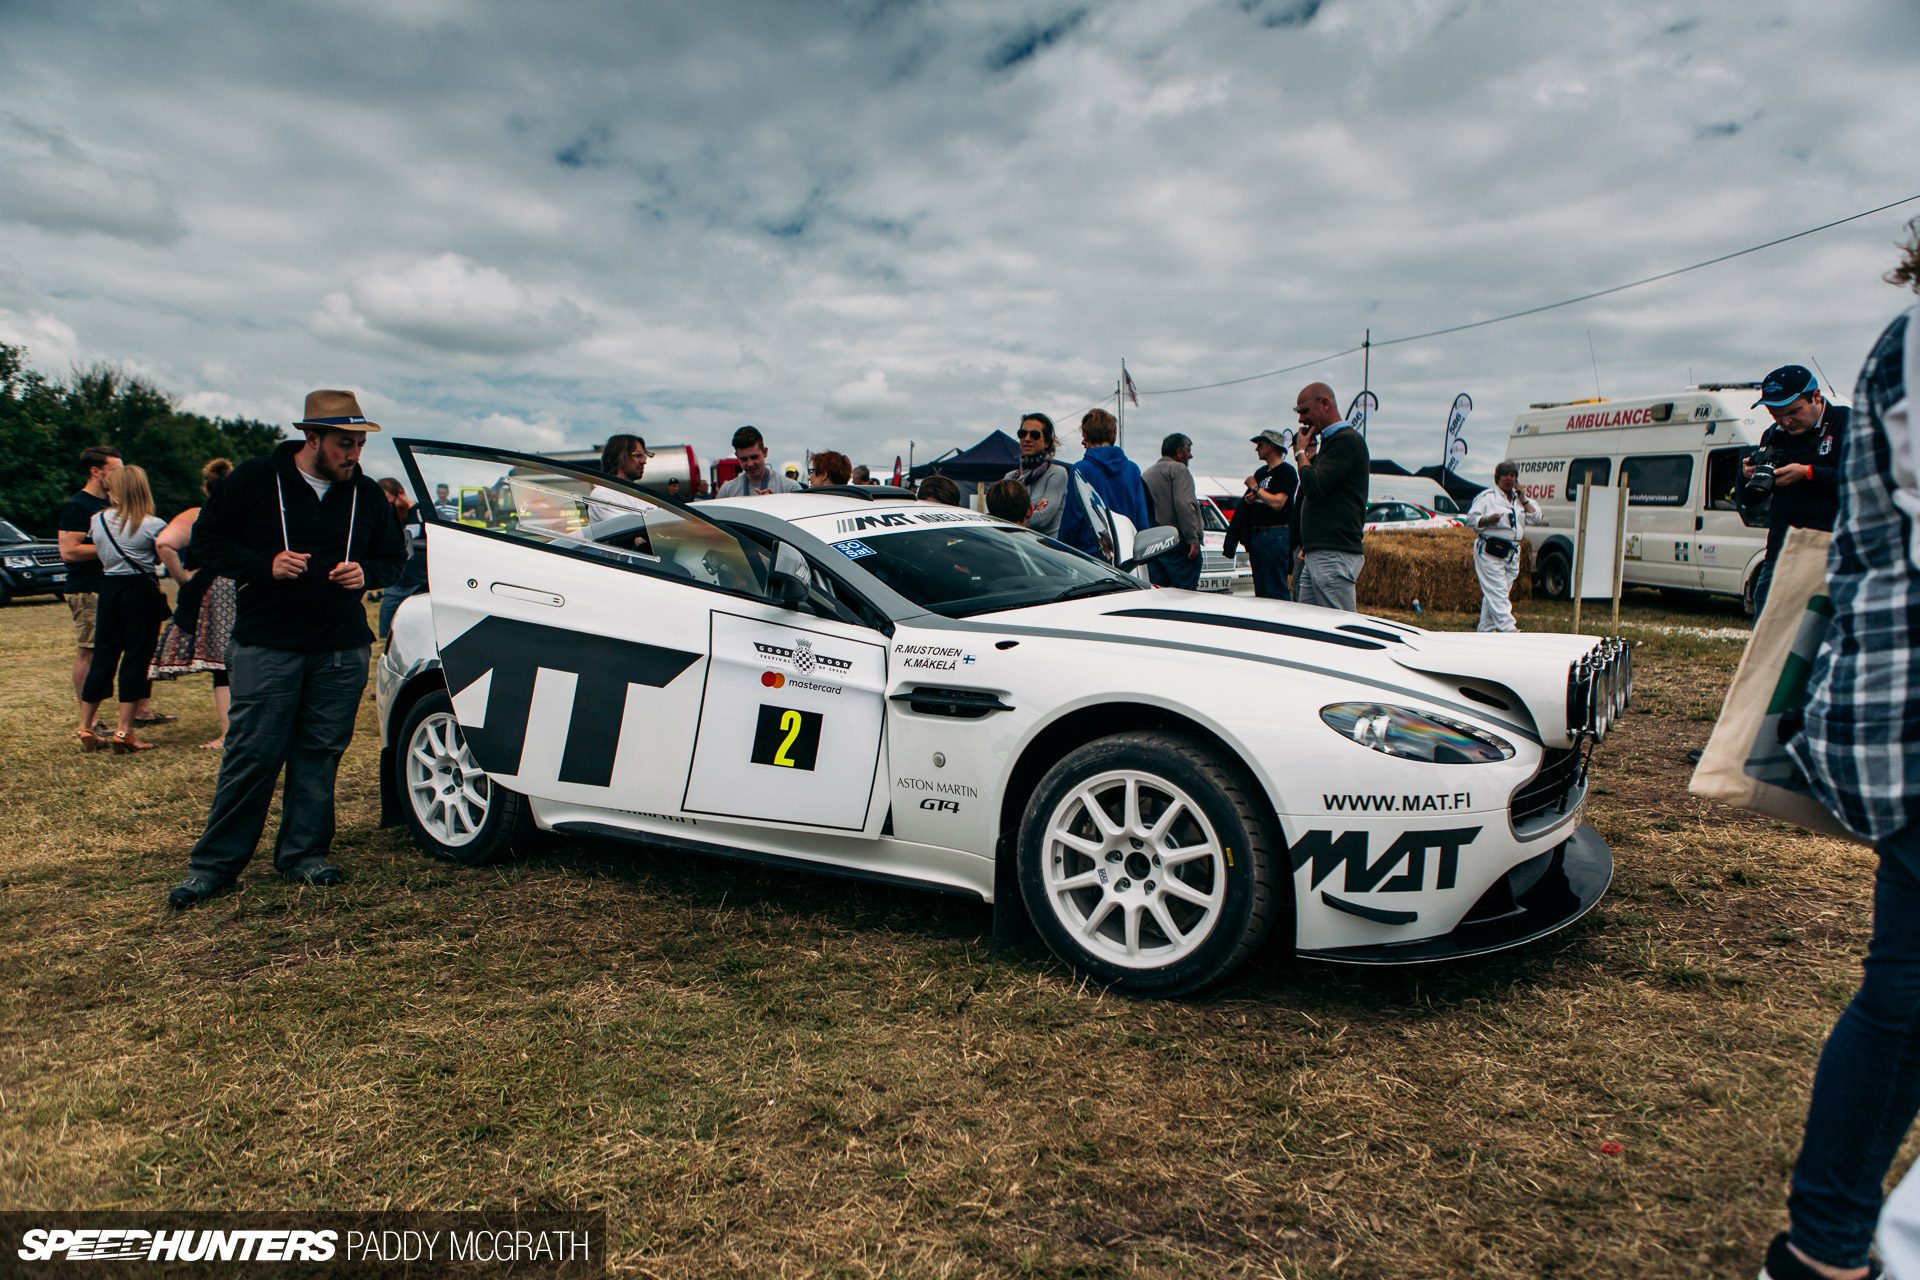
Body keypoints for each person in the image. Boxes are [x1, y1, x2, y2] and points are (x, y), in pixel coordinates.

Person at [1759, 231, 1920, 1280]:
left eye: (1795, 407)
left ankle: (1825, 1246)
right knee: (1901, 994)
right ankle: (1828, 1241)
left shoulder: (1884, 370)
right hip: (1894, 687)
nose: (1788, 422)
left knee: (1903, 992)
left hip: (1890, 697)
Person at [166, 390, 406, 909]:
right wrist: (264, 565)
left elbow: (394, 557)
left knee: (319, 753)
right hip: (268, 642)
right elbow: (206, 543)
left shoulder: (365, 495)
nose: (354, 455)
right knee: (253, 753)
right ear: (312, 437)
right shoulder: (254, 479)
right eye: (345, 444)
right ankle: (215, 865)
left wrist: (368, 573)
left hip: (341, 647)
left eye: (360, 445)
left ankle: (303, 853)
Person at [59, 445, 169, 733]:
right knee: (94, 651)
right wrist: (120, 546)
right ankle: (99, 723)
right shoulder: (79, 507)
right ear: (97, 471)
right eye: (115, 469)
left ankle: (137, 710)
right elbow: (68, 551)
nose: (120, 475)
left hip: (108, 585)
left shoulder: (100, 517)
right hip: (90, 587)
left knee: (111, 652)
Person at [1744, 363, 1847, 617]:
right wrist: (1749, 473)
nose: (1785, 421)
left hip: (1835, 554)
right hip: (1782, 553)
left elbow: (1866, 481)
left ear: (1816, 397)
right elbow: (1754, 497)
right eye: (1775, 414)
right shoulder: (1774, 434)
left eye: (1793, 412)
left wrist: (1809, 473)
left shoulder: (1848, 424)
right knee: (1768, 636)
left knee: (1828, 642)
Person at [150, 458, 238, 749]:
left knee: (223, 665)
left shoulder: (198, 514)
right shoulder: (248, 512)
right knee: (242, 661)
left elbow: (164, 544)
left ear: (205, 486)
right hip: (245, 585)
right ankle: (237, 730)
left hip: (214, 589)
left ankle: (229, 733)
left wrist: (183, 578)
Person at [1290, 382, 1370, 611]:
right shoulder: (1333, 442)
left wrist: (1300, 452)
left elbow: (1314, 486)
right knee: (1309, 626)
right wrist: (1312, 541)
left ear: (1325, 404)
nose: (1301, 420)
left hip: (1333, 554)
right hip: (1321, 551)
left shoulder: (1345, 441)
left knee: (1340, 630)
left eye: (1304, 411)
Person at [1469, 461, 1542, 632]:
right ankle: (1509, 630)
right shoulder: (1488, 498)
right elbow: (1471, 519)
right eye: (1505, 475)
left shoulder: (1520, 501)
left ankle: (1486, 630)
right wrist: (1488, 520)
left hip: (1512, 553)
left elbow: (1536, 517)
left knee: (1494, 595)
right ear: (1498, 478)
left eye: (1512, 476)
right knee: (1498, 593)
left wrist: (1523, 498)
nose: (1509, 479)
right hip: (1490, 551)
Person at [1225, 429, 1298, 600]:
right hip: (1258, 535)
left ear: (1272, 446)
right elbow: (1258, 501)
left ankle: (1280, 623)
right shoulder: (1260, 473)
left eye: (1260, 444)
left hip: (1276, 534)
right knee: (1261, 589)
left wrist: (1256, 488)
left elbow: (1278, 502)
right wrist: (1251, 500)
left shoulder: (1286, 471)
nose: (1256, 449)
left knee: (1275, 588)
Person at [1142, 432, 1203, 590]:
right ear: (1179, 452)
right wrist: (1192, 539)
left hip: (1154, 546)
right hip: (1178, 545)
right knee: (1184, 597)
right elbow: (1183, 503)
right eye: (1188, 450)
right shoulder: (1179, 470)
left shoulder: (1147, 474)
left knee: (1159, 594)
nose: (1191, 456)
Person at [1073, 409, 1152, 531]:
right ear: (1114, 433)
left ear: (1085, 434)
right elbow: (1141, 519)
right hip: (1127, 546)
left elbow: (1073, 518)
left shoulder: (1080, 470)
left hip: (1088, 548)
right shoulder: (1133, 470)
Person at [376, 477, 428, 640]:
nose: (390, 507)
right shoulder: (391, 517)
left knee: (417, 628)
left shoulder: (422, 512)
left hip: (420, 583)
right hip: (396, 583)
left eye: (392, 502)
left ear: (400, 493)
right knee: (385, 629)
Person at [1004, 413, 1068, 538]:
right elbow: (998, 515)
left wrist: (1009, 519)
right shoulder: (1010, 477)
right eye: (1022, 434)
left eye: (1034, 435)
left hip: (1043, 551)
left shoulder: (1057, 473)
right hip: (1014, 546)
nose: (1027, 438)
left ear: (1047, 442)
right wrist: (1031, 512)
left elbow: (1043, 518)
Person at [717, 426, 802, 497]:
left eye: (754, 457)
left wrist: (777, 505)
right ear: (737, 457)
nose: (750, 464)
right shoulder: (726, 492)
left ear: (765, 452)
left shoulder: (790, 488)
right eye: (744, 459)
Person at [586, 434, 653, 522]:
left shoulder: (644, 496)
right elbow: (628, 530)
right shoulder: (602, 494)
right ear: (620, 457)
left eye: (644, 456)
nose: (644, 461)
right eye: (638, 455)